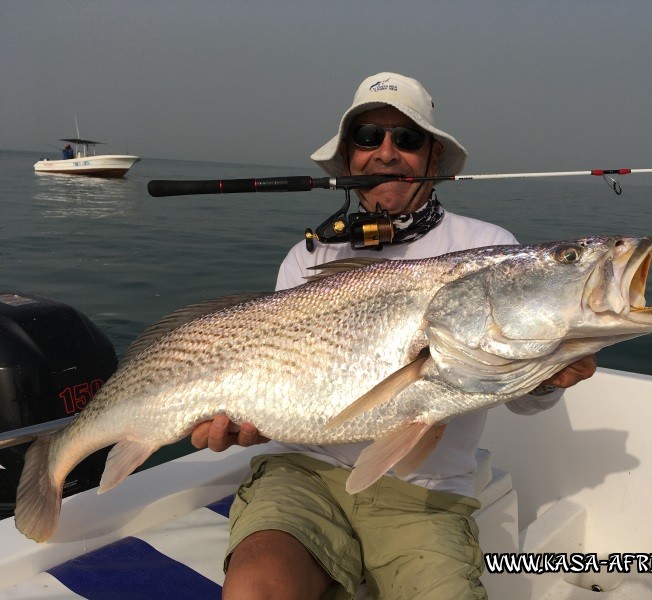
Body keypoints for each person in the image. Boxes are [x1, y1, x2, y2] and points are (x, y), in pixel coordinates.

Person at [191, 72, 597, 600]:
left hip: (424, 495)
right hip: (304, 474)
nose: (386, 152)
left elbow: (522, 400)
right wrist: (253, 423)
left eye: (407, 139)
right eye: (368, 138)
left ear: (432, 158)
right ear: (348, 158)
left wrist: (547, 377)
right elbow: (285, 386)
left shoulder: (488, 248)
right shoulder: (310, 256)